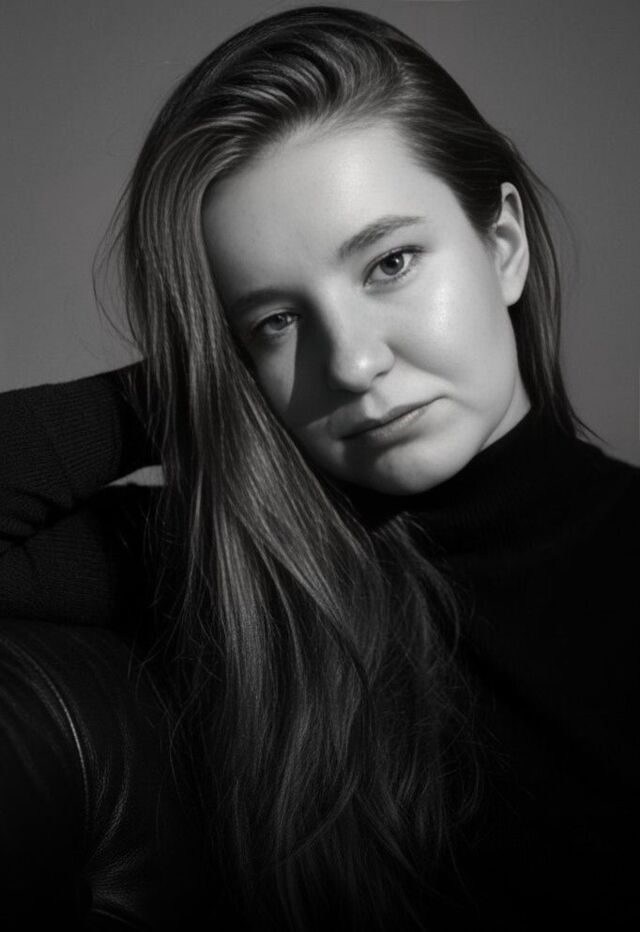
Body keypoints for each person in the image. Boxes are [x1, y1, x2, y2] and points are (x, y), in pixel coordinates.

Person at [1, 5, 638, 930]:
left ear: (503, 248)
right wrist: (193, 384)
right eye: (277, 321)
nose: (353, 363)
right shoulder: (242, 576)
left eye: (391, 263)